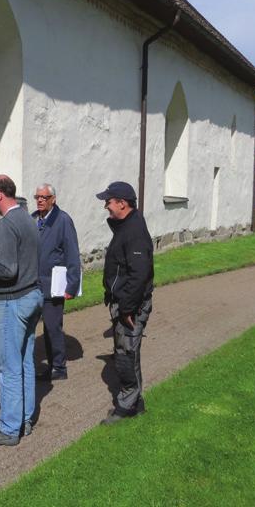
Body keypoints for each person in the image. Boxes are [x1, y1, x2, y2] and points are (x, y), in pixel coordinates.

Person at [0, 174, 43, 446]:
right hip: (32, 295)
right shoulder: (28, 218)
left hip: (14, 299)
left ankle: (9, 427)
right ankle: (23, 419)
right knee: (25, 361)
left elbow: (7, 270)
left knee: (8, 366)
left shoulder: (6, 224)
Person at [96, 181, 154, 425]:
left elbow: (139, 275)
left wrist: (128, 308)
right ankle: (136, 401)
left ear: (122, 203)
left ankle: (126, 406)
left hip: (130, 305)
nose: (106, 206)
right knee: (127, 351)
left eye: (108, 201)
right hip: (123, 302)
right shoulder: (125, 226)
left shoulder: (134, 231)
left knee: (125, 354)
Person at [31, 184, 81, 381]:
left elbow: (72, 253)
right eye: (38, 196)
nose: (40, 200)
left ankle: (59, 367)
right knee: (38, 326)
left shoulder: (63, 220)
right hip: (34, 283)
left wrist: (72, 284)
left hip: (54, 284)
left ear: (53, 199)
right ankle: (51, 365)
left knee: (52, 327)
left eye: (45, 197)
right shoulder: (34, 219)